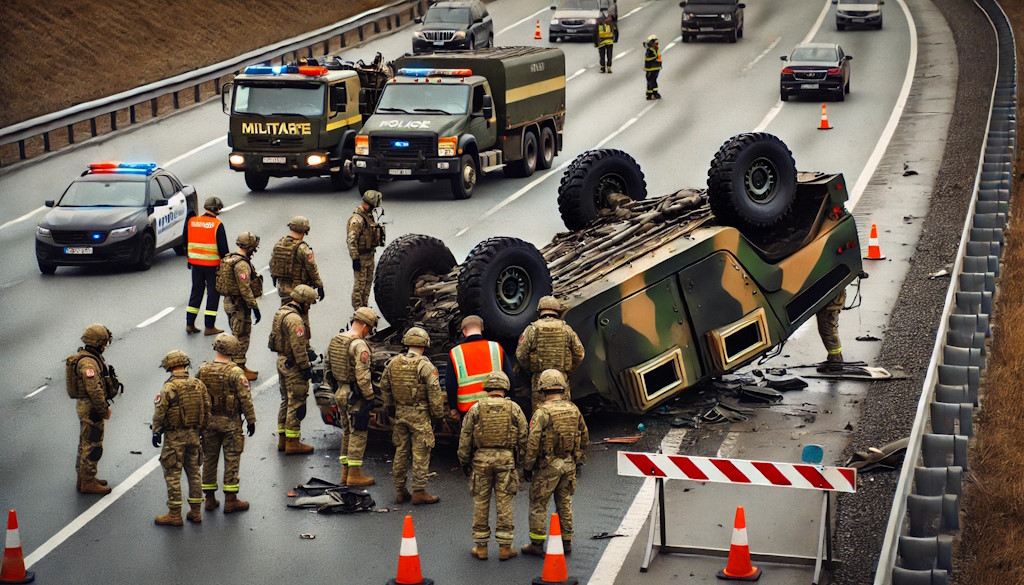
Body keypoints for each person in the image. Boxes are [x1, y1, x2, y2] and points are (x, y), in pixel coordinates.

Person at [458, 371, 528, 561]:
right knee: (504, 503)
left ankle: (481, 548)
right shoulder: (514, 408)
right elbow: (523, 437)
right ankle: (505, 548)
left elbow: (465, 438)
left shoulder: (476, 409)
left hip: (481, 461)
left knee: (481, 502)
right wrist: (521, 463)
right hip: (506, 461)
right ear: (504, 388)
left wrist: (465, 462)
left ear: (487, 388)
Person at [521, 370, 589, 557]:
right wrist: (578, 457)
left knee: (538, 504)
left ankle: (536, 544)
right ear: (562, 388)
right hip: (568, 464)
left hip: (548, 466)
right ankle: (566, 542)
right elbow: (584, 435)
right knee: (564, 502)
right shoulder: (574, 409)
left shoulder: (542, 412)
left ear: (542, 390)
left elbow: (533, 441)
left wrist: (528, 466)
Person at [380, 327, 445, 505]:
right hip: (420, 415)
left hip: (400, 414)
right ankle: (419, 490)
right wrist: (438, 415)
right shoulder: (425, 366)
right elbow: (434, 391)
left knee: (401, 451)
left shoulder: (393, 363)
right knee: (421, 452)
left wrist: (389, 406)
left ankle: (400, 490)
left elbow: (384, 385)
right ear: (424, 345)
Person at [198, 334, 257, 514]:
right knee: (231, 460)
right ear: (232, 350)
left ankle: (209, 499)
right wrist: (251, 420)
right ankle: (230, 500)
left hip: (209, 423)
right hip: (230, 423)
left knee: (209, 460)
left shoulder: (203, 370)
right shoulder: (235, 372)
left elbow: (197, 394)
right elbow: (245, 398)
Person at [152, 350, 211, 526]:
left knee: (173, 475)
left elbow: (160, 412)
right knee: (194, 474)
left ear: (170, 366)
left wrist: (156, 431)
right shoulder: (199, 384)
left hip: (174, 438)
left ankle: (174, 514)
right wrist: (201, 430)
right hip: (194, 436)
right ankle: (195, 512)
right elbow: (207, 409)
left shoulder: (169, 387)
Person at [326, 307, 378, 486]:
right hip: (354, 395)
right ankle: (355, 474)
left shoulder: (336, 339)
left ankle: (345, 472)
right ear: (364, 325)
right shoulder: (359, 345)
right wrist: (370, 397)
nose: (368, 332)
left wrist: (337, 389)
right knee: (358, 432)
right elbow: (362, 377)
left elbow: (327, 369)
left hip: (340, 392)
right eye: (369, 328)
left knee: (347, 431)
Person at [66, 323, 121, 495]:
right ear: (96, 343)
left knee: (85, 443)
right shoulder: (89, 363)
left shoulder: (88, 357)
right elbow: (95, 390)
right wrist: (104, 410)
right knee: (93, 444)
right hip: (91, 408)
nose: (105, 346)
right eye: (103, 343)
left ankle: (83, 478)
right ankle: (88, 481)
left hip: (87, 406)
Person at [269, 284, 318, 454]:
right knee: (297, 402)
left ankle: (282, 439)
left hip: (282, 361)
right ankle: (292, 442)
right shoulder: (295, 320)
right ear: (304, 303)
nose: (310, 307)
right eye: (309, 304)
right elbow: (297, 347)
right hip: (293, 365)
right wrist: (305, 367)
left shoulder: (282, 312)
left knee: (285, 400)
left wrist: (309, 350)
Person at [515, 295, 585, 413]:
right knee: (562, 415)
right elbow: (579, 354)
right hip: (561, 380)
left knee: (540, 418)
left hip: (539, 382)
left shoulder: (532, 329)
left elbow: (521, 355)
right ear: (557, 311)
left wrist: (532, 370)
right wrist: (567, 371)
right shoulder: (567, 329)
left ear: (540, 311)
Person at [445, 315, 516, 420]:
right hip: (496, 407)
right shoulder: (495, 348)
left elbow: (450, 385)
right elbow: (510, 378)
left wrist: (453, 408)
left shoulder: (456, 353)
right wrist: (510, 400)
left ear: (464, 331)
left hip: (468, 411)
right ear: (482, 328)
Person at [215, 231, 263, 380]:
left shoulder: (230, 258)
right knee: (242, 337)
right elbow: (245, 288)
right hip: (239, 306)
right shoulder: (242, 265)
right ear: (249, 248)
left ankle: (236, 366)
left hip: (229, 303)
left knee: (236, 333)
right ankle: (239, 370)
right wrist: (254, 307)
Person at [185, 197, 229, 335]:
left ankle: (190, 323)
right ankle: (209, 326)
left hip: (195, 264)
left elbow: (187, 241)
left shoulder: (193, 222)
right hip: (212, 266)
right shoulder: (217, 225)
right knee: (213, 294)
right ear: (217, 209)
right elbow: (224, 250)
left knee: (196, 292)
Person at [270, 216, 325, 307]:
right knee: (299, 318)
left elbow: (272, 263)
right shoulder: (303, 249)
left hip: (283, 289)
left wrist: (274, 277)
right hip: (299, 291)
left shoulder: (279, 244)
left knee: (285, 313)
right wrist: (319, 285)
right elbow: (311, 268)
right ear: (304, 231)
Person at [348, 190, 385, 311]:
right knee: (359, 285)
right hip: (361, 257)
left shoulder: (368, 216)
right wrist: (355, 258)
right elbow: (351, 240)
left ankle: (364, 306)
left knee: (368, 283)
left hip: (369, 255)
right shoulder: (357, 220)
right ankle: (358, 311)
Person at [816, 291, 847, 371]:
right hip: (835, 292)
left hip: (831, 294)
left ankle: (835, 359)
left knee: (826, 323)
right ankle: (835, 356)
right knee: (828, 322)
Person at [643, 35, 662, 100]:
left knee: (651, 81)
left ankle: (652, 93)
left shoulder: (653, 50)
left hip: (654, 68)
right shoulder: (652, 50)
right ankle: (651, 93)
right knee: (651, 81)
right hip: (652, 68)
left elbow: (651, 58)